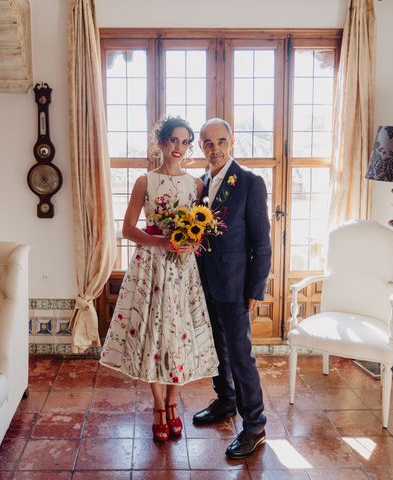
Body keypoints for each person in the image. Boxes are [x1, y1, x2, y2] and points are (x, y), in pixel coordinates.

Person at [100, 116, 219, 442]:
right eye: (173, 141)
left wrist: (193, 242)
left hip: (182, 270)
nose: (179, 148)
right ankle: (157, 406)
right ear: (161, 143)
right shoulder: (145, 182)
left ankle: (173, 403)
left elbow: (198, 225)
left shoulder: (196, 185)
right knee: (154, 334)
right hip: (152, 266)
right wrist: (160, 242)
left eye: (185, 142)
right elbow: (127, 229)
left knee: (178, 335)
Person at [193, 118, 272, 459]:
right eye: (208, 143)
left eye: (221, 141)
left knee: (241, 355)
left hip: (236, 284)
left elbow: (262, 242)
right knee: (216, 349)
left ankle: (254, 426)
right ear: (201, 146)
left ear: (232, 142)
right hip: (205, 281)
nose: (215, 149)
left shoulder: (251, 183)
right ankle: (225, 401)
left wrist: (256, 287)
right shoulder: (201, 183)